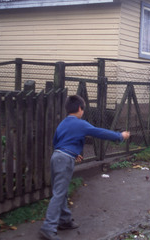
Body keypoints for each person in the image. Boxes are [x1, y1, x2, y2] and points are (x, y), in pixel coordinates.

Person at [39, 95, 130, 240]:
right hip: (64, 160)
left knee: (60, 191)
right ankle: (48, 227)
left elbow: (57, 141)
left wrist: (73, 153)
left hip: (56, 157)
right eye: (84, 109)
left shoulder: (63, 123)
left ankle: (65, 220)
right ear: (80, 109)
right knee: (59, 193)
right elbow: (100, 132)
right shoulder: (81, 124)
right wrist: (120, 136)